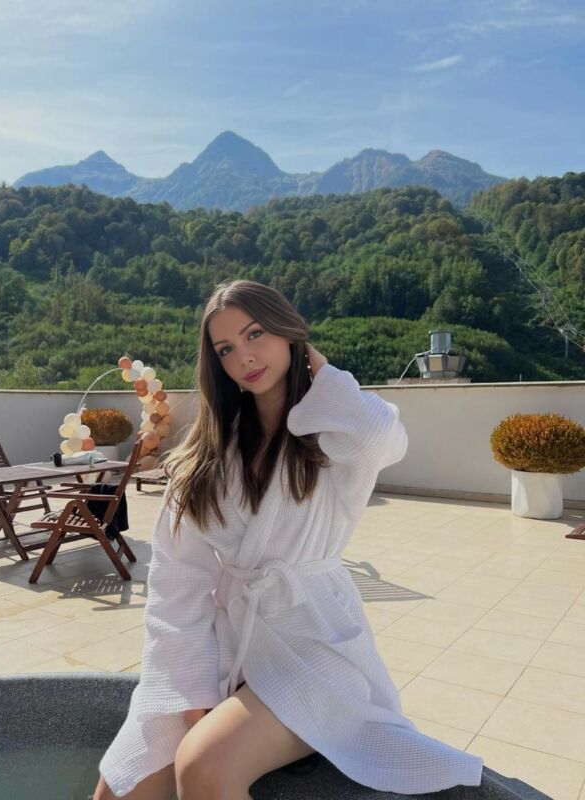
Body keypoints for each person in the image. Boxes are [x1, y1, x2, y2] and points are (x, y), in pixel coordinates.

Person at [93, 279, 484, 800]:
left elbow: (384, 437)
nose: (244, 358)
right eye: (226, 349)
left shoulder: (334, 437)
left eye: (256, 334)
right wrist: (192, 695)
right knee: (121, 782)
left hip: (314, 644)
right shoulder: (207, 459)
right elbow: (176, 589)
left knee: (204, 765)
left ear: (289, 332)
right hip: (230, 642)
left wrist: (317, 366)